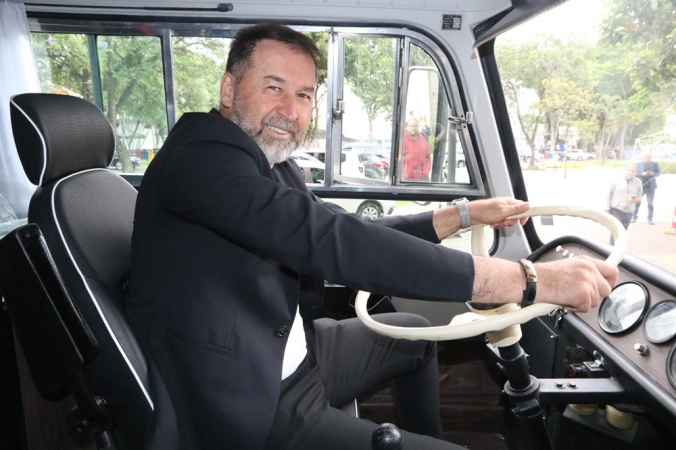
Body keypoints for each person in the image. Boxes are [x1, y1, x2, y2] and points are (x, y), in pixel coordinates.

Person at [126, 22, 617, 450]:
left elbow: (351, 229)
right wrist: (527, 280)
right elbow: (327, 238)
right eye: (273, 87)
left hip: (291, 353)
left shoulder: (268, 164)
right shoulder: (201, 158)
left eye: (303, 95)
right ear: (229, 89)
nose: (289, 111)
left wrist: (462, 214)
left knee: (414, 336)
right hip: (246, 400)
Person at [607, 163, 642, 245]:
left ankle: (619, 249)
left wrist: (636, 199)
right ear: (625, 170)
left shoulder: (638, 182)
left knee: (623, 232)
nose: (631, 172)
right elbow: (609, 195)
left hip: (629, 211)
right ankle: (611, 250)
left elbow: (640, 196)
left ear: (636, 172)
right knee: (616, 230)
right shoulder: (616, 180)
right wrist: (606, 209)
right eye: (629, 170)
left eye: (633, 171)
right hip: (616, 209)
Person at [632, 151, 660, 225]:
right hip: (641, 186)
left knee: (650, 203)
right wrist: (641, 174)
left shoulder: (655, 164)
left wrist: (653, 173)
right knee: (637, 202)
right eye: (646, 157)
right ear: (643, 157)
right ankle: (633, 217)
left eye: (649, 157)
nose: (648, 158)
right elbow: (634, 174)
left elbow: (658, 173)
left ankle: (650, 218)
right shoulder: (638, 164)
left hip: (651, 186)